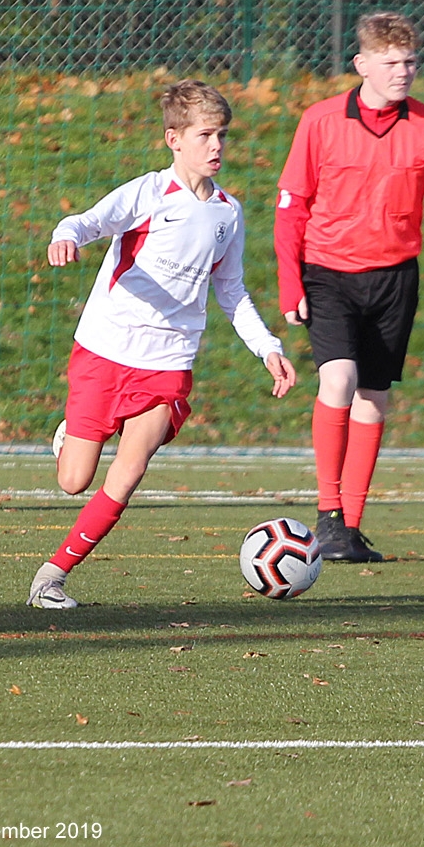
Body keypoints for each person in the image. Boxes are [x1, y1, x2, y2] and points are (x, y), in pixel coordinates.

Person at [29, 80, 296, 608]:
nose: (216, 146)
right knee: (74, 481)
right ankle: (69, 438)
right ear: (174, 139)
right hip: (106, 348)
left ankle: (51, 577)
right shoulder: (148, 194)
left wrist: (267, 347)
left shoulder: (228, 213)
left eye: (222, 135)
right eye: (205, 135)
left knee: (129, 472)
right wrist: (65, 237)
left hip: (168, 361)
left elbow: (231, 290)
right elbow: (87, 221)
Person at [274, 11, 424, 563]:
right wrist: (290, 283)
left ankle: (350, 527)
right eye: (391, 62)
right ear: (362, 64)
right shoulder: (321, 121)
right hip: (328, 273)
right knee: (339, 379)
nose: (403, 71)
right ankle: (327, 513)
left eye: (410, 62)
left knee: (374, 398)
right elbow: (291, 209)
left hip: (394, 278)